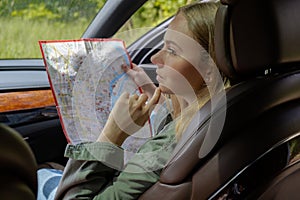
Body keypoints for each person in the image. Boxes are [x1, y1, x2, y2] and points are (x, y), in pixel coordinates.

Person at [37, 1, 230, 199]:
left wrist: (112, 133)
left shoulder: (165, 148)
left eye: (172, 51)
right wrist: (149, 88)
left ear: (209, 67)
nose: (155, 58)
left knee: (40, 174)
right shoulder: (229, 105)